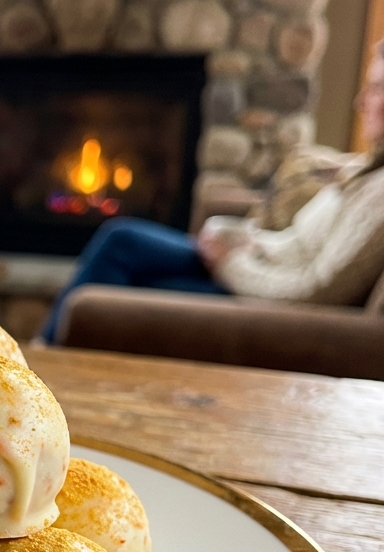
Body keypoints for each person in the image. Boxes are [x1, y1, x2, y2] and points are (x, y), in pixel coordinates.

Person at [43, 41, 384, 342]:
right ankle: (44, 358)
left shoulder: (380, 194)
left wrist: (231, 262)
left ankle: (44, 362)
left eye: (375, 88)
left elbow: (315, 292)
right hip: (256, 269)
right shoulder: (368, 172)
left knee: (120, 274)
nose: (361, 102)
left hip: (264, 299)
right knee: (121, 240)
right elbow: (299, 245)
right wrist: (241, 238)